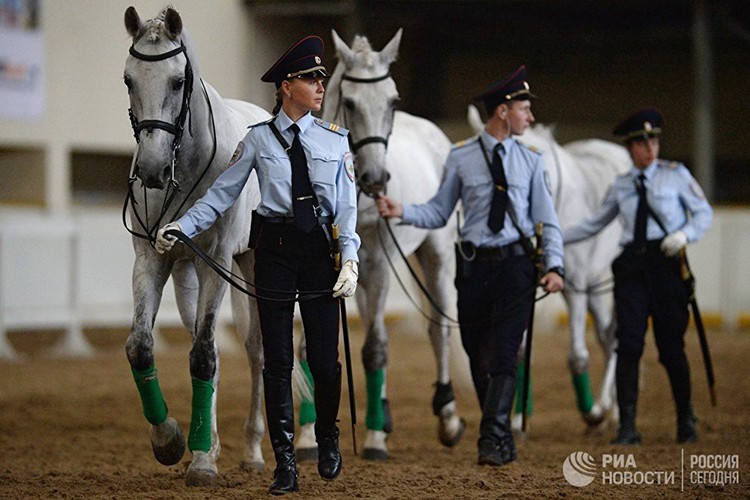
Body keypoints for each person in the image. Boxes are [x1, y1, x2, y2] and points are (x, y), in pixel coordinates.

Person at [155, 35, 360, 494]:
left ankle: (327, 435)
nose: (320, 84)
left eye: (321, 77)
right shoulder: (257, 141)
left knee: (326, 363)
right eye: (311, 78)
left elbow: (346, 207)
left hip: (320, 256)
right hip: (274, 252)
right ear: (287, 87)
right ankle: (284, 459)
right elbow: (222, 195)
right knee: (276, 360)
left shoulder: (334, 140)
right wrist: (183, 226)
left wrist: (350, 258)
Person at [376, 65, 564, 466]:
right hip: (474, 270)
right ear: (503, 111)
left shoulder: (532, 161)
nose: (530, 118)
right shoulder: (461, 158)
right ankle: (499, 434)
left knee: (504, 354)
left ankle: (491, 437)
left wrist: (555, 266)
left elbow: (547, 220)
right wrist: (402, 210)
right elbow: (439, 211)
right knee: (476, 352)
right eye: (524, 109)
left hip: (516, 266)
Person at [563, 108, 713, 445]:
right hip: (632, 267)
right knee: (627, 346)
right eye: (643, 142)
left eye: (654, 141)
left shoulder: (676, 175)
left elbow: (703, 213)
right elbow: (595, 223)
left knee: (671, 348)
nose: (650, 148)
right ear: (631, 147)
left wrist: (686, 234)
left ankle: (684, 417)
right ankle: (628, 424)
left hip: (667, 264)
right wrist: (555, 239)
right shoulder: (621, 186)